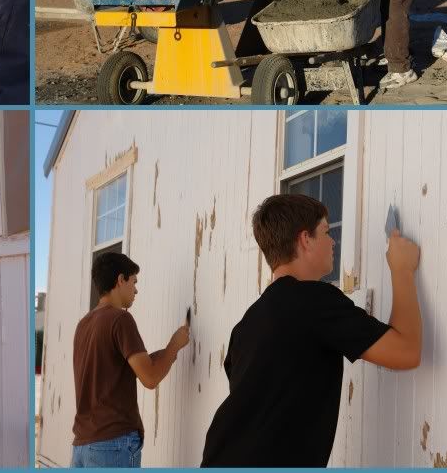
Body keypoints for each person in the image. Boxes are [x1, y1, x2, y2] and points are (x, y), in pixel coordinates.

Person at [200, 194, 422, 467]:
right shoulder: (313, 301)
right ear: (305, 239)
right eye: (326, 232)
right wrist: (402, 269)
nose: (333, 241)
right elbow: (407, 351)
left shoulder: (245, 327)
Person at [71, 252, 190, 468]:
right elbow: (150, 377)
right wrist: (174, 345)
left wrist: (167, 352)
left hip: (82, 446)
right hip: (112, 446)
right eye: (133, 282)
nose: (136, 290)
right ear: (120, 280)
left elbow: (126, 367)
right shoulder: (120, 318)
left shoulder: (84, 324)